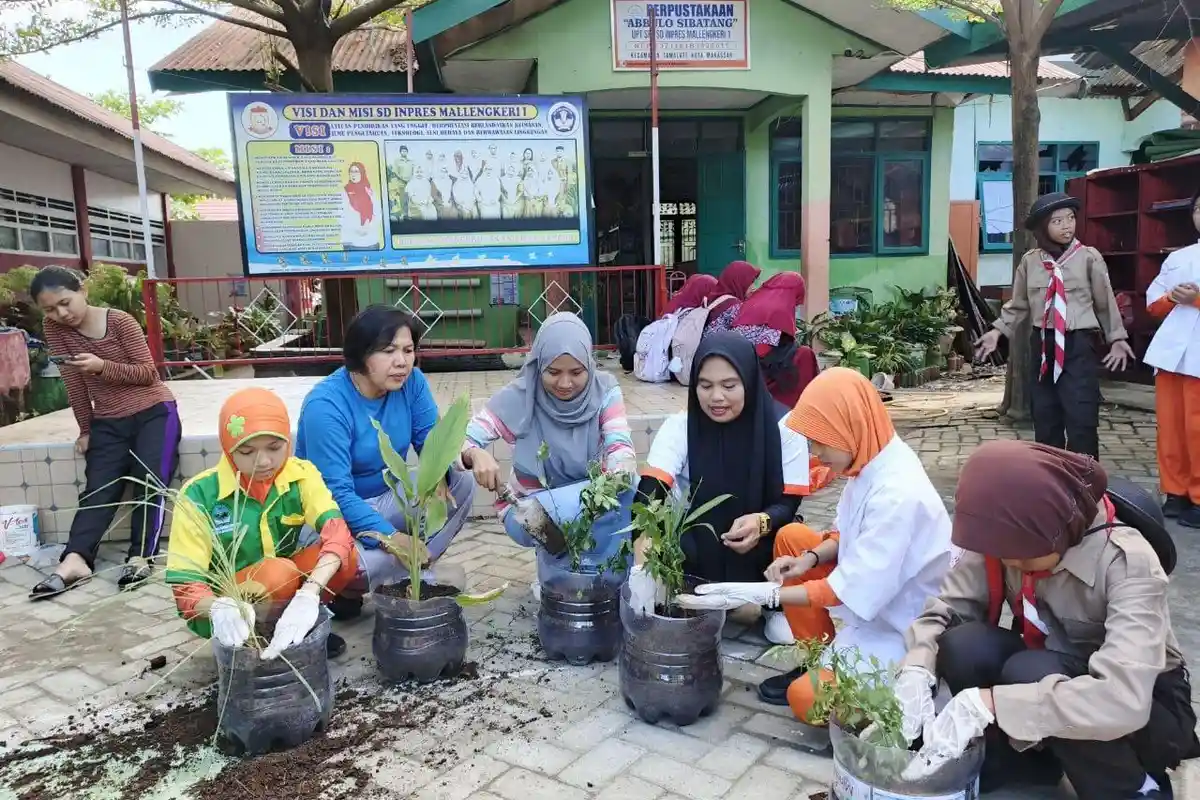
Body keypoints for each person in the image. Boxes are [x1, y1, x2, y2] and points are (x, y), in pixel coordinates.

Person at [898, 441, 1198, 799]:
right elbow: (950, 608)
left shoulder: (1127, 561)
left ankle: (1132, 785)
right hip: (1053, 662)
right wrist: (917, 665)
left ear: (1051, 530)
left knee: (1030, 672)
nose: (1009, 563)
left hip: (1145, 708)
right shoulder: (1006, 535)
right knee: (964, 646)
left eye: (1021, 556)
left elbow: (1123, 698)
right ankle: (1026, 767)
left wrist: (991, 704)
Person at [679, 367, 951, 717]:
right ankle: (817, 656)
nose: (816, 452)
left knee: (807, 699)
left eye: (822, 441)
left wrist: (760, 594)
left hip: (903, 626)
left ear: (850, 425)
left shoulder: (898, 494)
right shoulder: (870, 458)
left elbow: (847, 590)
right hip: (876, 602)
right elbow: (843, 532)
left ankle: (904, 701)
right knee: (793, 539)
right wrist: (808, 558)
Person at [296, 306, 475, 617]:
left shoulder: (412, 383)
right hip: (332, 516)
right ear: (361, 354)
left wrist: (439, 474)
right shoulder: (325, 406)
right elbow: (335, 494)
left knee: (461, 482)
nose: (402, 361)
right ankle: (348, 586)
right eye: (388, 351)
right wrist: (392, 538)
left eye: (408, 350)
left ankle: (415, 573)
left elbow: (432, 440)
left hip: (387, 497)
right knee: (359, 565)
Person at [635, 332, 814, 635]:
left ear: (750, 381)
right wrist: (642, 573)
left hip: (760, 548)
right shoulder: (681, 427)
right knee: (663, 522)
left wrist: (761, 522)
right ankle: (689, 594)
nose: (716, 397)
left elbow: (788, 503)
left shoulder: (786, 427)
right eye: (705, 386)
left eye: (729, 386)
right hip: (699, 550)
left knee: (793, 535)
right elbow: (648, 496)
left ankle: (773, 603)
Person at [165, 389, 358, 659]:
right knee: (278, 572)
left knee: (345, 555)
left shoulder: (300, 475)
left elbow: (336, 532)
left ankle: (298, 625)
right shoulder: (199, 495)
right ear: (228, 449)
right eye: (247, 451)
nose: (264, 462)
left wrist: (309, 595)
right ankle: (256, 637)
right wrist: (218, 608)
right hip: (229, 602)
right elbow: (185, 584)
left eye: (275, 448)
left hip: (284, 584)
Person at [28, 266, 181, 599]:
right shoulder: (55, 329)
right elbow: (74, 382)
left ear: (82, 290)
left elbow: (148, 374)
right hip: (108, 420)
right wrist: (86, 429)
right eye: (50, 309)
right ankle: (76, 559)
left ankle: (141, 557)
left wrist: (102, 367)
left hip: (155, 412)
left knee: (149, 479)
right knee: (98, 487)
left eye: (65, 302)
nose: (61, 314)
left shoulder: (120, 321)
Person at [462, 313, 637, 568]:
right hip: (529, 510)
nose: (565, 383)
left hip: (591, 500)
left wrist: (620, 471)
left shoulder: (604, 391)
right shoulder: (520, 396)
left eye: (576, 372)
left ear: (589, 365)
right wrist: (473, 454)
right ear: (539, 364)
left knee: (632, 488)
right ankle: (560, 571)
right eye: (553, 372)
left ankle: (594, 573)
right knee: (558, 511)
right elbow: (460, 442)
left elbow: (620, 445)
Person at [976, 192, 1134, 458]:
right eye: (1057, 221)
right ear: (1042, 228)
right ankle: (1052, 474)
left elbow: (1105, 302)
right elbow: (1019, 304)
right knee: (1045, 415)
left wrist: (1116, 338)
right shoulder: (1030, 262)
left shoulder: (1088, 258)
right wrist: (997, 331)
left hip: (1078, 344)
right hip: (1043, 344)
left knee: (1081, 415)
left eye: (1070, 218)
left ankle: (1083, 477)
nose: (1066, 226)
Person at [1144, 189, 1200, 524]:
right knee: (1171, 428)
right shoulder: (1178, 258)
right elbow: (1153, 303)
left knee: (1198, 429)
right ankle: (1176, 491)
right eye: (1198, 208)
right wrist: (1171, 297)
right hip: (1171, 355)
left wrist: (1196, 299)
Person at [730, 271, 820, 407]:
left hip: (738, 363)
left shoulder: (751, 301)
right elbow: (764, 350)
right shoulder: (780, 310)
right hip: (759, 369)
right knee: (805, 355)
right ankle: (799, 406)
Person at [704, 261, 761, 334]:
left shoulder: (715, 298)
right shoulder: (734, 306)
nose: (753, 287)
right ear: (739, 282)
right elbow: (749, 334)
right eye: (751, 282)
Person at [341, 161, 381, 249]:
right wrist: (356, 228)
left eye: (356, 171)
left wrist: (368, 225)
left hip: (371, 242)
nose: (353, 174)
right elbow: (340, 216)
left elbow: (378, 212)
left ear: (362, 173)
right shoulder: (344, 192)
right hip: (351, 243)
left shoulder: (370, 191)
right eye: (351, 171)